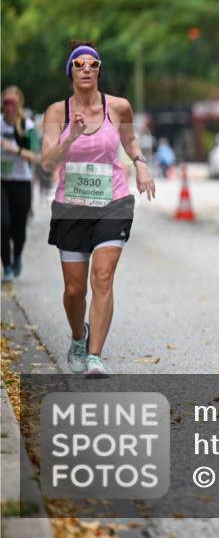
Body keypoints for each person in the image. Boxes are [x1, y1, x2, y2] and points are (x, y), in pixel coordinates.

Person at [40, 41, 156, 378]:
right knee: (74, 291)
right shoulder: (57, 113)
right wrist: (70, 137)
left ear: (99, 70)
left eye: (93, 64)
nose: (87, 69)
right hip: (71, 208)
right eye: (79, 64)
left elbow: (129, 139)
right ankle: (79, 336)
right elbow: (47, 162)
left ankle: (94, 355)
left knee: (103, 277)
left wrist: (140, 163)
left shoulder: (118, 107)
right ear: (71, 72)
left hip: (112, 203)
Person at [2, 86, 40, 281]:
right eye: (6, 102)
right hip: (1, 182)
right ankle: (7, 266)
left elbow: (37, 156)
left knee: (18, 228)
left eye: (13, 103)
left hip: (21, 182)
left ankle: (17, 255)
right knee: (2, 223)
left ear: (19, 104)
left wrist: (15, 149)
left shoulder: (27, 126)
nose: (9, 107)